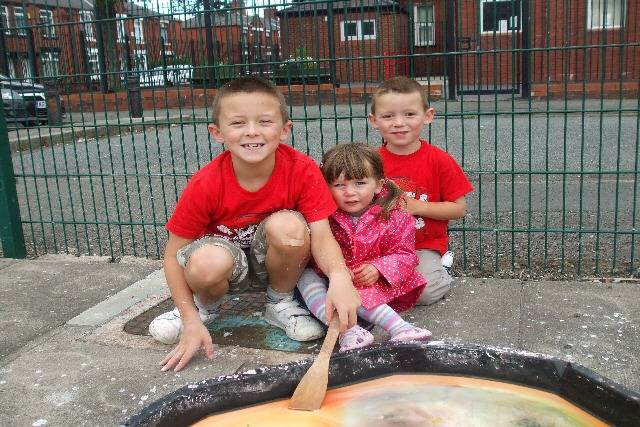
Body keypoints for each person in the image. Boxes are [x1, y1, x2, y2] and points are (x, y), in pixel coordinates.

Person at [148, 77, 361, 371]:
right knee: (207, 261)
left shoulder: (303, 170)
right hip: (222, 269)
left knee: (290, 226)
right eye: (237, 123)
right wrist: (189, 317)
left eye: (264, 121)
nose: (252, 132)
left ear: (285, 129)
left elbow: (322, 236)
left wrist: (340, 277)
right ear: (217, 132)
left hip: (274, 265)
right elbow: (173, 255)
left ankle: (279, 303)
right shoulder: (205, 183)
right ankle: (204, 308)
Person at [298, 143, 432, 352]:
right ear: (326, 186)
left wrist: (379, 268)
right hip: (330, 277)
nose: (350, 192)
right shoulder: (324, 217)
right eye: (339, 185)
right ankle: (348, 331)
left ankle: (400, 328)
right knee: (305, 278)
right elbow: (316, 249)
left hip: (372, 281)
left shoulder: (395, 216)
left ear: (378, 185)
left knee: (355, 288)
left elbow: (406, 256)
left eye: (360, 183)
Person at [369, 76, 474, 306]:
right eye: (388, 116)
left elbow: (459, 209)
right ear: (374, 120)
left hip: (423, 244)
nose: (399, 123)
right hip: (382, 245)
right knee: (367, 287)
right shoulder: (372, 163)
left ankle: (441, 269)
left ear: (428, 116)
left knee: (423, 293)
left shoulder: (440, 160)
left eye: (409, 114)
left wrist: (418, 207)